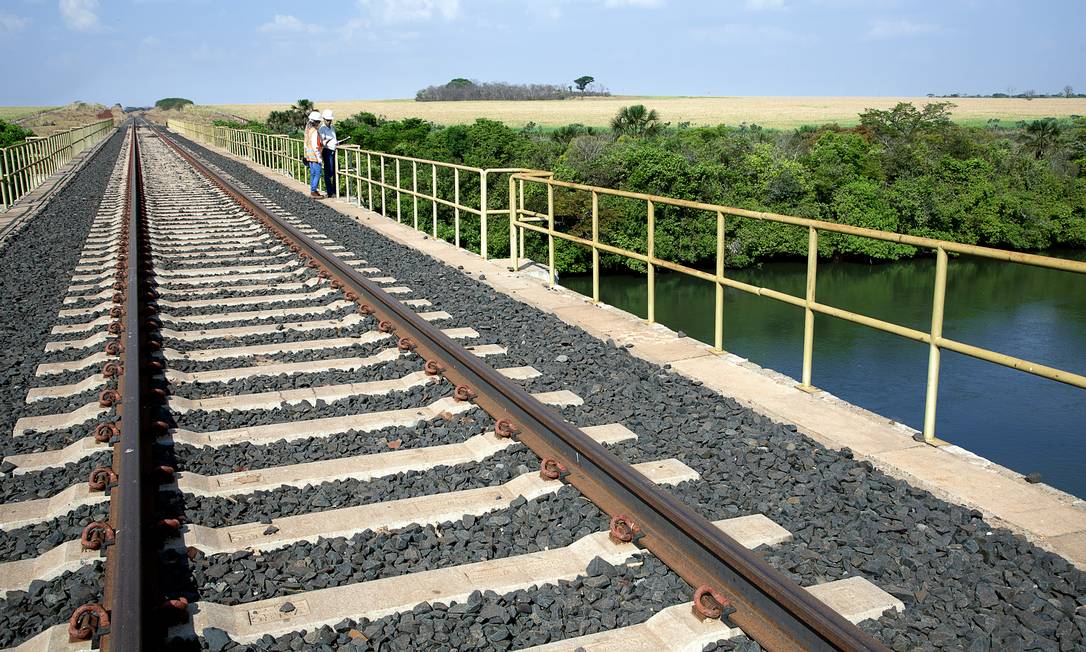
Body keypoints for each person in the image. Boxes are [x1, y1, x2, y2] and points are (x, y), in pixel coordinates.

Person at [304, 110, 323, 198]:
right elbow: (316, 146)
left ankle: (313, 190)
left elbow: (306, 144)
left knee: (313, 173)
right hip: (315, 156)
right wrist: (319, 158)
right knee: (318, 173)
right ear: (316, 122)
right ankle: (313, 191)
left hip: (309, 155)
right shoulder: (314, 131)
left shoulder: (308, 130)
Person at [319, 109, 338, 198]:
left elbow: (334, 138)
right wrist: (328, 141)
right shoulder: (322, 129)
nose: (329, 121)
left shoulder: (332, 128)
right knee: (329, 172)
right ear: (324, 119)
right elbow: (322, 142)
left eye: (330, 120)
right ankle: (330, 192)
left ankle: (334, 191)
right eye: (327, 120)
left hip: (334, 150)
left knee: (335, 171)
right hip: (327, 151)